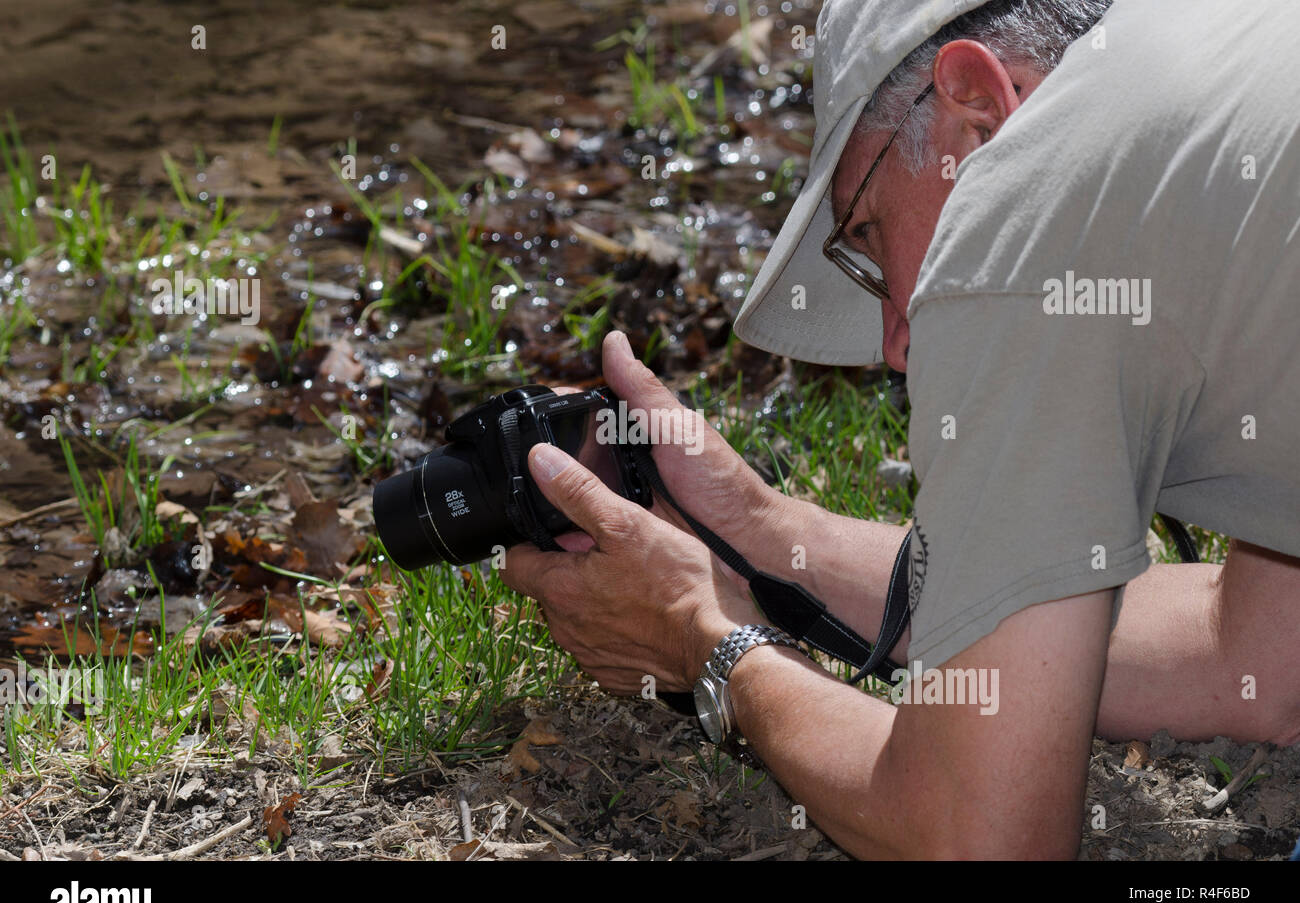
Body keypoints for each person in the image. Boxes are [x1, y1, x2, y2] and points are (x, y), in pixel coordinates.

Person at [502, 0, 1300, 858]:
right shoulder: (1226, 58)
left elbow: (979, 838)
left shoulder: (1030, 208)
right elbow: (1254, 663)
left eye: (870, 237)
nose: (896, 344)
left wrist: (703, 633)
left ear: (975, 106)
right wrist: (762, 536)